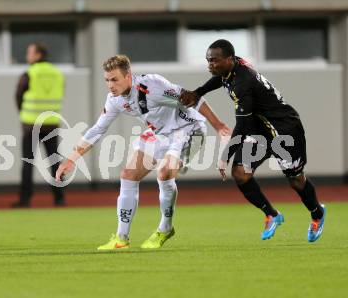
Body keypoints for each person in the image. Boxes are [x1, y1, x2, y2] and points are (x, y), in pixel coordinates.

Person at [56, 55, 231, 250]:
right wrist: (71, 159)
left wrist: (220, 126)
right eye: (107, 80)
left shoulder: (153, 85)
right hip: (159, 133)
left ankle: (165, 228)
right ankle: (121, 238)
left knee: (164, 172)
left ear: (128, 76)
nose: (110, 85)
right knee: (128, 175)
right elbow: (97, 129)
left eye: (114, 79)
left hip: (188, 129)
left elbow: (193, 98)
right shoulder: (114, 100)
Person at [181, 39, 326, 242]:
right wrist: (198, 92)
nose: (210, 65)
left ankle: (317, 214)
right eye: (208, 61)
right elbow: (220, 79)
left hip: (284, 130)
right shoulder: (231, 68)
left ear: (230, 59)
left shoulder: (243, 83)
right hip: (261, 129)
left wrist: (224, 156)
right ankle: (272, 214)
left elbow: (242, 127)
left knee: (295, 179)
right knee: (241, 173)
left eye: (215, 61)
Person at [12, 42, 65, 208]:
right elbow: (60, 92)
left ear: (38, 55)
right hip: (51, 123)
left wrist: (23, 114)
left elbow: (18, 95)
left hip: (31, 123)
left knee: (28, 162)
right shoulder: (57, 74)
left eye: (30, 53)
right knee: (54, 161)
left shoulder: (29, 73)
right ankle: (59, 198)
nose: (28, 56)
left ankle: (25, 199)